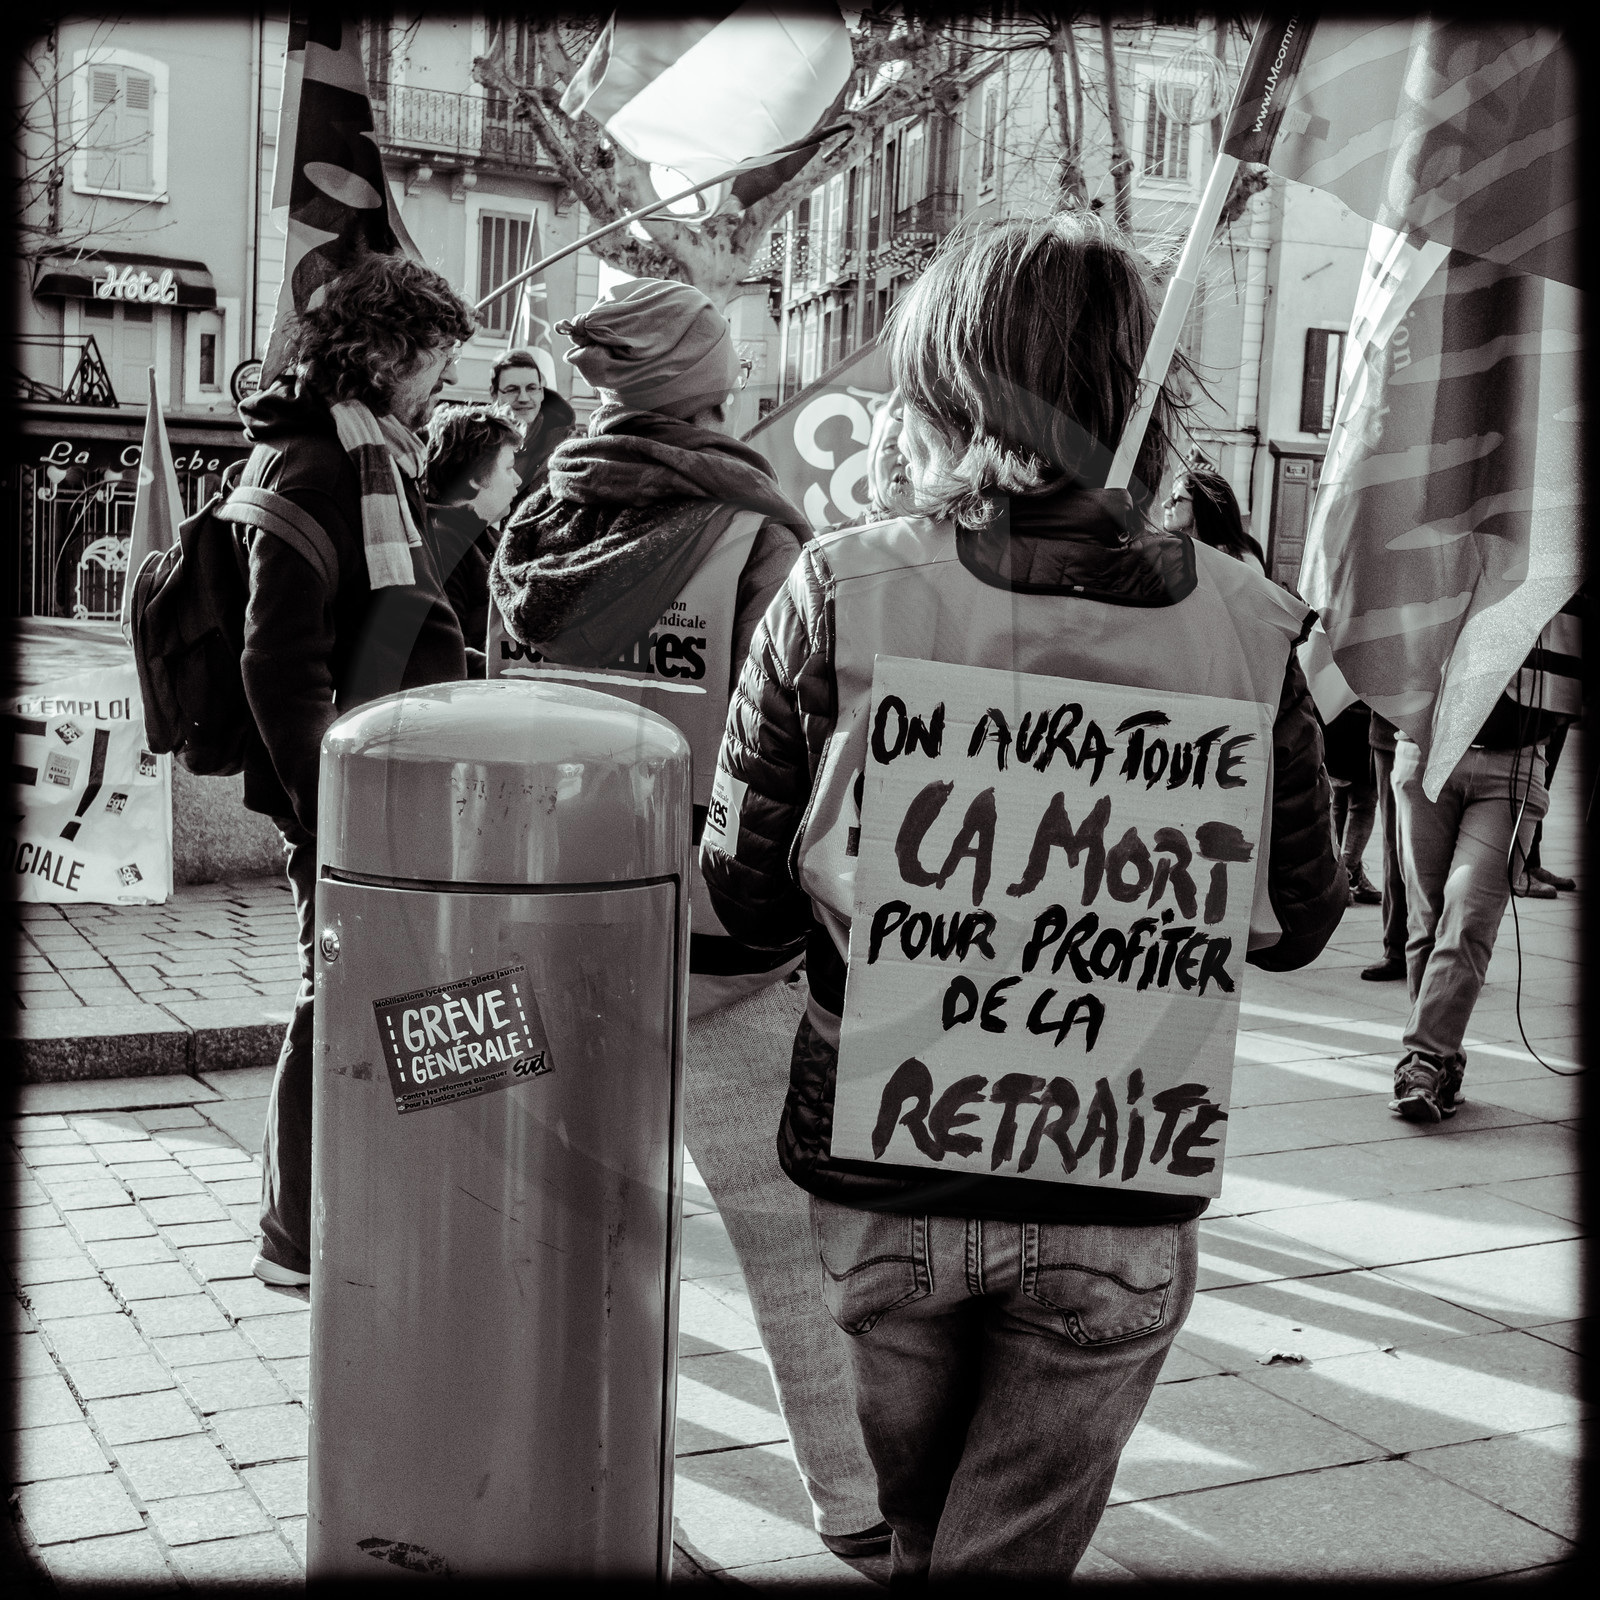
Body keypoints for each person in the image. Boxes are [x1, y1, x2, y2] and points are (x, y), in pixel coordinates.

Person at [701, 215, 1347, 1580]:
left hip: (886, 1177)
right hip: (1117, 1184)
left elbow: (744, 910)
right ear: (1142, 390)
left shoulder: (845, 586)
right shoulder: (1244, 619)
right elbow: (1296, 926)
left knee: (930, 1543)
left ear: (937, 383)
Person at [489, 277, 888, 1559]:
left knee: (565, 1228)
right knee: (790, 1246)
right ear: (712, 388)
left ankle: (554, 1479)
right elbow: (806, 747)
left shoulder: (531, 524)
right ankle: (853, 1501)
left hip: (554, 918)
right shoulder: (758, 536)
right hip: (718, 931)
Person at [239, 254, 475, 1287]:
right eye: (432, 358)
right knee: (329, 997)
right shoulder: (318, 464)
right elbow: (276, 657)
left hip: (385, 781)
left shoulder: (368, 455)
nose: (440, 382)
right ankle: (294, 1239)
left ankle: (368, 1201)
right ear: (382, 353)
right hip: (346, 798)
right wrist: (326, 810)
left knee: (369, 995)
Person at [1390, 604, 1582, 1122]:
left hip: (1512, 766)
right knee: (1426, 922)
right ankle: (1440, 1060)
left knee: (1468, 915)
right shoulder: (1449, 543)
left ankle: (1424, 1059)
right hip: (1425, 750)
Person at [424, 402, 523, 674]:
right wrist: (518, 672)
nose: (517, 480)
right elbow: (445, 650)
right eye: (508, 468)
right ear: (476, 478)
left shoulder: (479, 537)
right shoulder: (445, 541)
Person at [490, 347, 576, 514]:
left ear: (541, 393)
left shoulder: (565, 449)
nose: (523, 398)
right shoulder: (476, 444)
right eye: (512, 389)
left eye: (531, 388)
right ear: (494, 395)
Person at [1361, 710, 1409, 980]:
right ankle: (1397, 947)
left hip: (1452, 731)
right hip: (1393, 731)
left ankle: (1449, 950)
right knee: (1396, 844)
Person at [1324, 702, 1383, 905]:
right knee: (1363, 802)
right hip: (1366, 716)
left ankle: (1338, 877)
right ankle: (1346, 877)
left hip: (1335, 712)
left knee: (1339, 799)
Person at [1163, 462, 1268, 574]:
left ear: (1202, 507)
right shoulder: (1174, 552)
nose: (1165, 504)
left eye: (1177, 499)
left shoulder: (1243, 566)